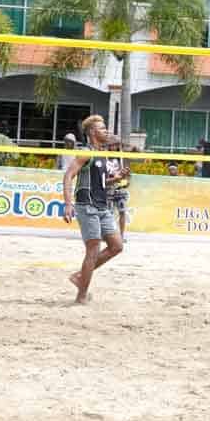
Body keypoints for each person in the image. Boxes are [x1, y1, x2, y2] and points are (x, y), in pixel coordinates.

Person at [63, 115, 124, 304]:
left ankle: (79, 276)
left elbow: (102, 182)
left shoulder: (102, 154)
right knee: (92, 250)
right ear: (92, 132)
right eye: (102, 128)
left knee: (117, 246)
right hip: (86, 206)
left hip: (102, 206)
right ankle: (81, 296)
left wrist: (117, 177)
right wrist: (67, 204)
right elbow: (68, 176)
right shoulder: (86, 152)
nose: (106, 131)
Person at [105, 136, 131, 242]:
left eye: (115, 144)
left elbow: (128, 173)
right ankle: (109, 235)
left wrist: (127, 179)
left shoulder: (121, 157)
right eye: (111, 144)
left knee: (122, 212)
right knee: (109, 213)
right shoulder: (104, 157)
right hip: (108, 188)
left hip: (120, 188)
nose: (113, 147)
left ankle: (121, 235)